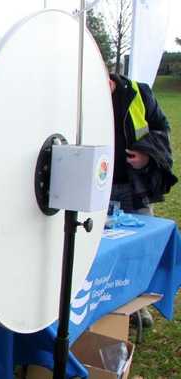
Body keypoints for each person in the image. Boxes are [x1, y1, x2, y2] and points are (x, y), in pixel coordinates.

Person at [108, 73, 177, 327]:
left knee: (141, 248)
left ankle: (140, 306)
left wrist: (146, 156)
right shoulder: (78, 96)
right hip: (95, 188)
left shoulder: (139, 92)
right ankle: (105, 305)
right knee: (100, 250)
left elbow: (163, 129)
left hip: (133, 185)